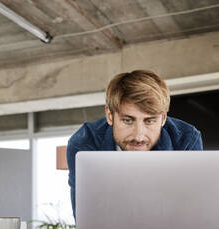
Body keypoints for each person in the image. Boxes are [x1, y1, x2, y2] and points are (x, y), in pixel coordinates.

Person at [67, 69, 203, 218]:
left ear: (163, 119)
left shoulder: (187, 140)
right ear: (109, 116)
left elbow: (189, 214)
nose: (139, 136)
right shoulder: (84, 144)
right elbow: (87, 220)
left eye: (149, 121)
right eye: (127, 120)